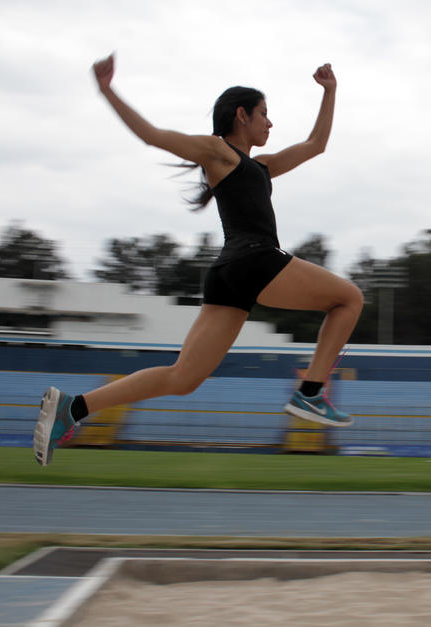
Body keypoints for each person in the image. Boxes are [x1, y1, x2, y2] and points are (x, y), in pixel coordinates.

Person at [33, 53, 363, 466]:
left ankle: (73, 408)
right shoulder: (218, 152)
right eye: (264, 114)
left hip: (228, 274)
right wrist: (108, 90)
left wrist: (330, 92)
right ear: (241, 115)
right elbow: (153, 135)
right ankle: (311, 393)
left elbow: (317, 145)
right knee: (349, 299)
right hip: (255, 260)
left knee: (183, 378)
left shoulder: (259, 166)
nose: (270, 123)